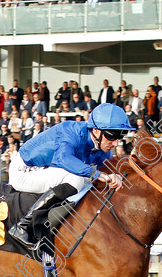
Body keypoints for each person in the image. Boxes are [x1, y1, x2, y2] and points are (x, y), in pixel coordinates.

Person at [7, 103, 133, 248]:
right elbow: (64, 158)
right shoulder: (70, 131)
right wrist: (99, 174)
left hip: (45, 170)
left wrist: (118, 175)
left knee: (89, 179)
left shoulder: (101, 147)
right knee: (78, 178)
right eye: (113, 136)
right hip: (24, 171)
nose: (116, 143)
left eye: (120, 137)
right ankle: (23, 225)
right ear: (97, 131)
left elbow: (110, 169)